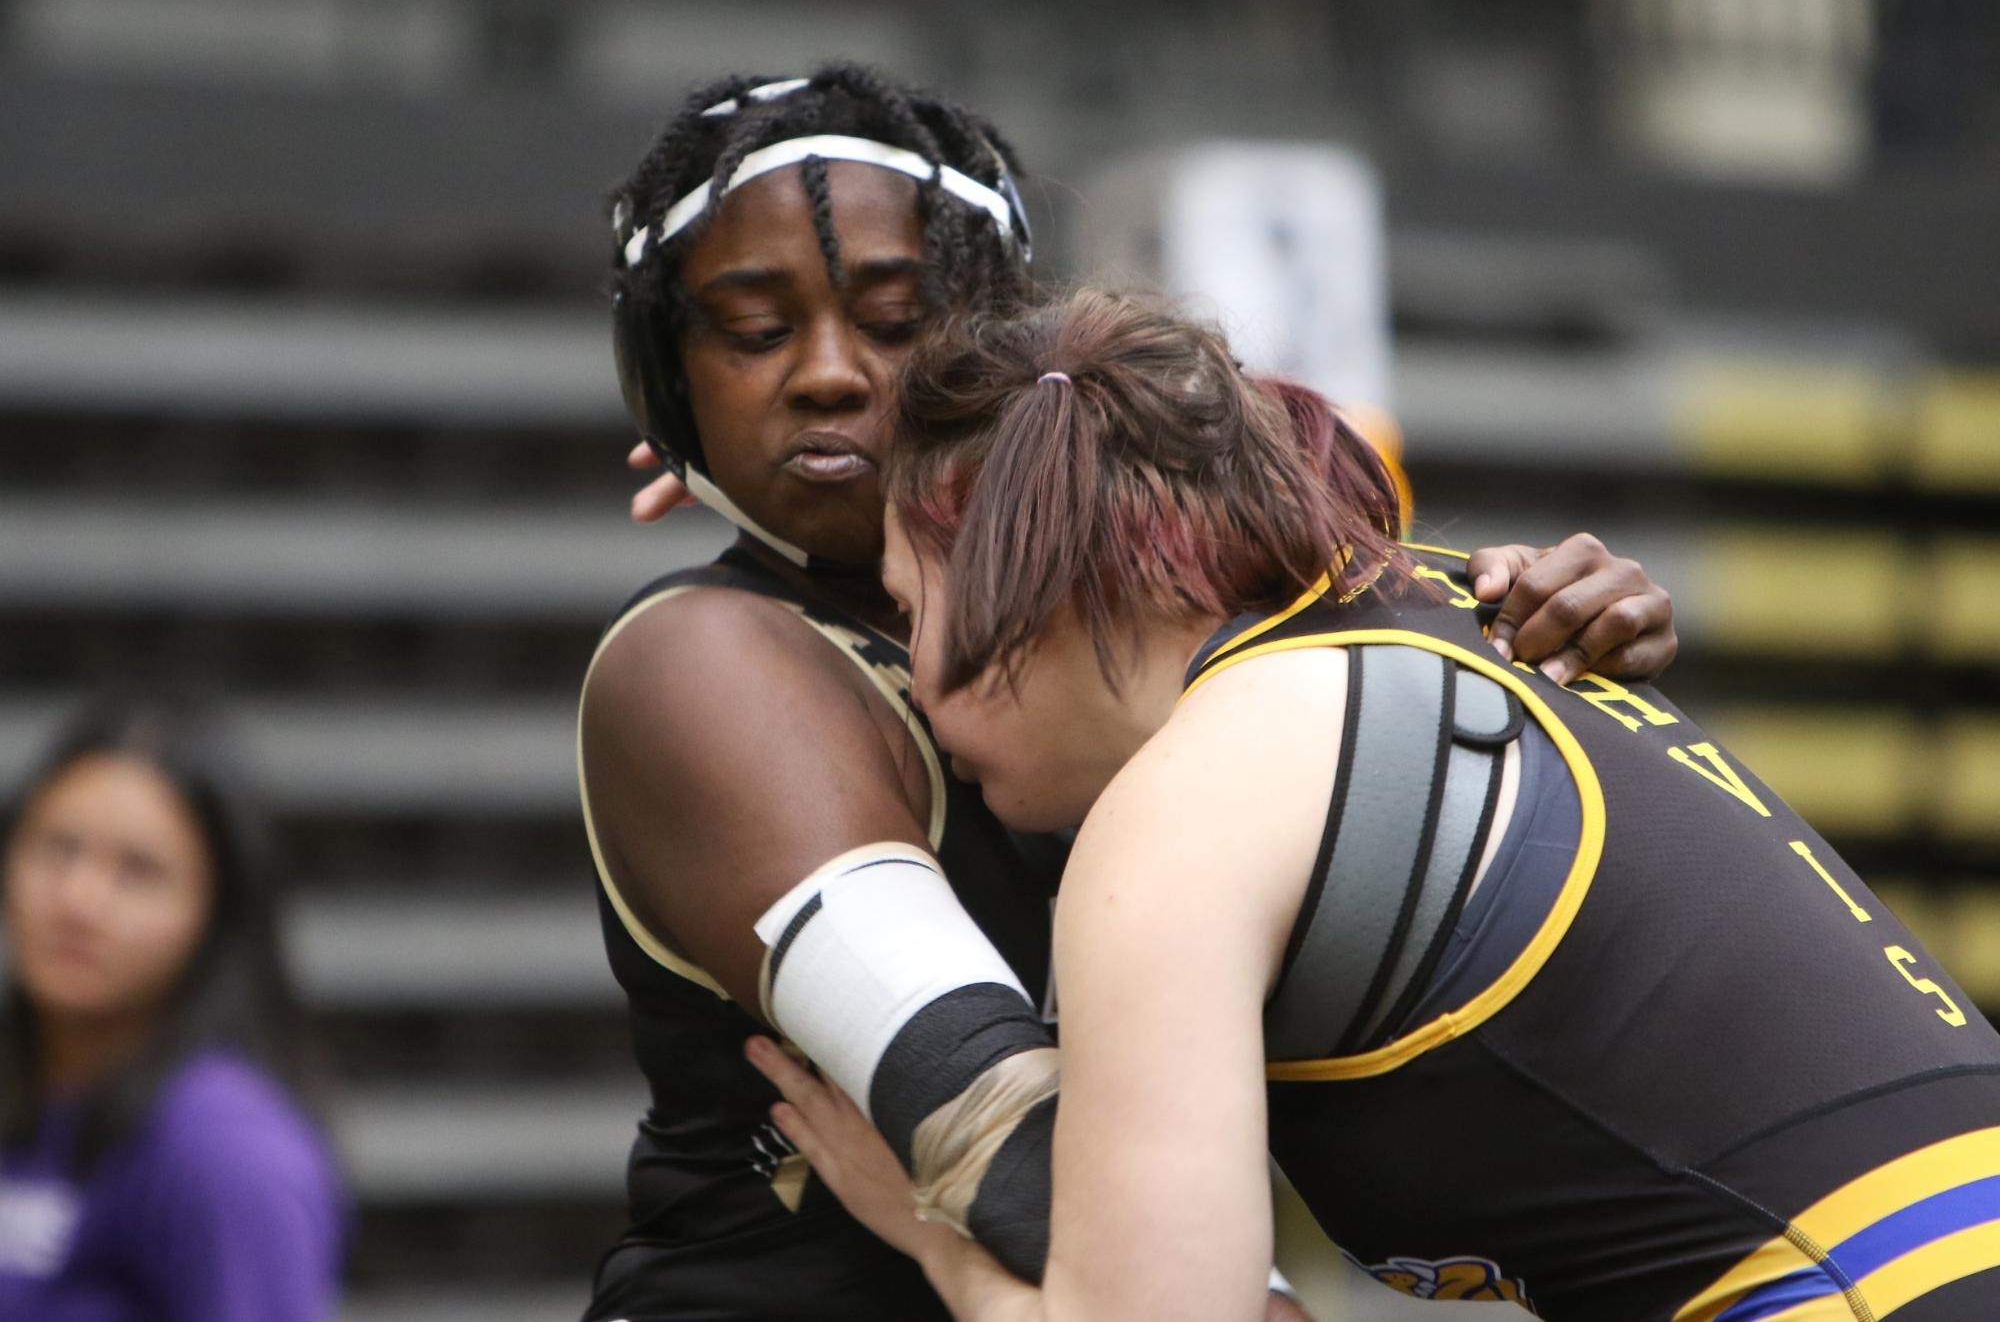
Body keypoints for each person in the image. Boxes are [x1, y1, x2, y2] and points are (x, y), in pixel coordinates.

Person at [581, 64, 1681, 1321]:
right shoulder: (705, 663)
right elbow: (1007, 1143)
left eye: (893, 323)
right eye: (755, 331)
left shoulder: (1103, 625)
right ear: (665, 376)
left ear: (994, 343)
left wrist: (1512, 633)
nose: (828, 374)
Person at [747, 289, 2000, 1321]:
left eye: (913, 615)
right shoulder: (1447, 603)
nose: (909, 681)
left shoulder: (1183, 812)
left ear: (1032, 576)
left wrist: (941, 1238)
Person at [0, 696, 345, 1322]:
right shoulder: (27, 1101)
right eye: (57, 848)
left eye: (138, 871)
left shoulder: (229, 1156)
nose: (78, 899)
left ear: (213, 915)